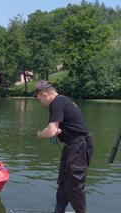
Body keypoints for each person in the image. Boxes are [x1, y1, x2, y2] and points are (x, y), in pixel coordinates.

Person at [34, 80, 94, 213]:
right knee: (63, 182)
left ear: (45, 94)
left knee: (74, 184)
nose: (41, 103)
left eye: (39, 99)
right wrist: (59, 131)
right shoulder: (62, 101)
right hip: (71, 146)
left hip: (79, 146)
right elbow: (59, 128)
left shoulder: (56, 102)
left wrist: (39, 134)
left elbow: (50, 131)